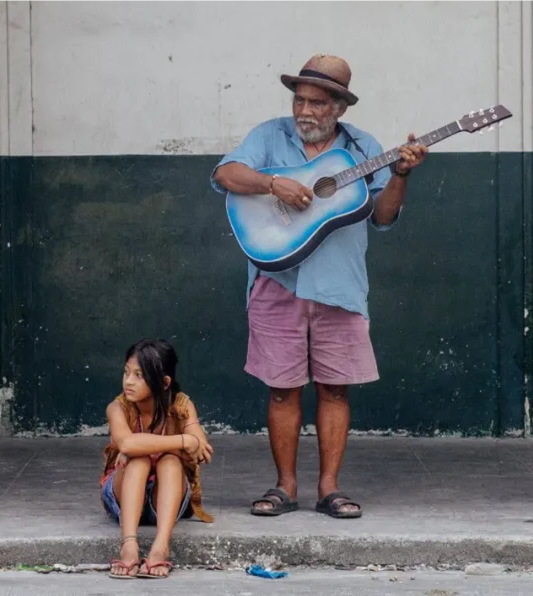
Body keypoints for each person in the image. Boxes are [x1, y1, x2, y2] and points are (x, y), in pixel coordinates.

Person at [209, 54, 428, 519]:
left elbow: (384, 216)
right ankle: (284, 487)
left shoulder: (365, 149)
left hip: (339, 286)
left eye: (316, 103)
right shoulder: (269, 135)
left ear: (339, 109)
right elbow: (225, 175)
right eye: (299, 100)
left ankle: (330, 489)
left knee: (335, 389)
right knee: (282, 390)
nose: (304, 111)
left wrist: (402, 174)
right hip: (276, 280)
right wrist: (274, 184)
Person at [100, 339, 214, 579]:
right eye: (126, 372)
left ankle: (160, 547)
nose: (128, 381)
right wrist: (182, 441)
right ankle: (129, 545)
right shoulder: (117, 407)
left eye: (139, 375)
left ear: (164, 383)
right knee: (138, 459)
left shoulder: (181, 406)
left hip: (165, 500)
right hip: (122, 498)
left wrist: (188, 440)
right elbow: (128, 443)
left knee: (170, 462)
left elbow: (200, 446)